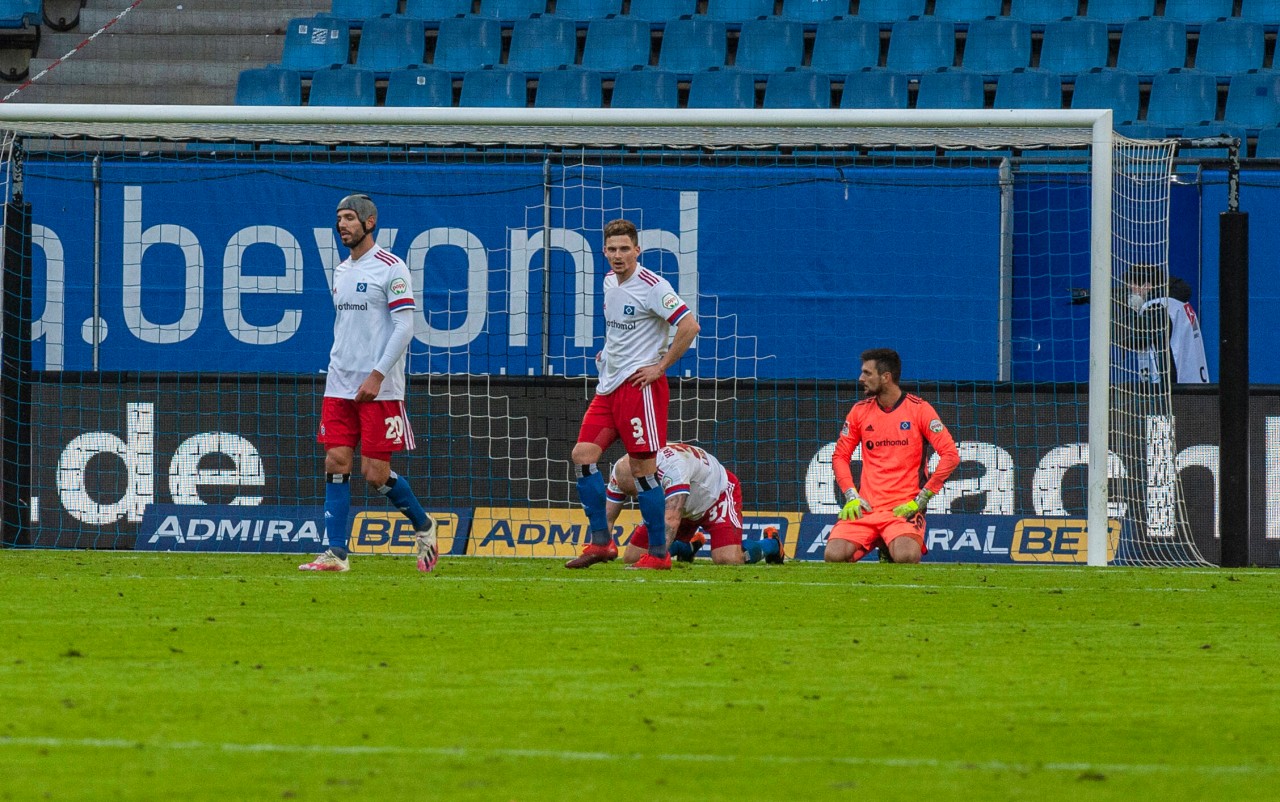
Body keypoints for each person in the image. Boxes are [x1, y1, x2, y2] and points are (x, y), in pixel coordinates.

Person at [299, 194, 438, 574]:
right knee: (335, 461)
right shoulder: (341, 271)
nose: (342, 225)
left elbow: (406, 326)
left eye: (349, 218)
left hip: (380, 388)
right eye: (339, 218)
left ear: (369, 222)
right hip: (339, 383)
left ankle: (425, 528)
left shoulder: (391, 267)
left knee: (375, 474)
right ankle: (336, 553)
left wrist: (377, 373)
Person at [565, 218, 701, 571]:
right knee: (583, 456)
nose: (618, 255)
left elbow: (689, 326)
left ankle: (659, 554)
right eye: (611, 249)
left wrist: (661, 367)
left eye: (625, 248)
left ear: (637, 250)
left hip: (640, 389)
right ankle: (601, 542)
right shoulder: (609, 281)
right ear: (604, 252)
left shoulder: (653, 286)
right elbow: (621, 333)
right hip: (608, 387)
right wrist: (607, 354)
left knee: (643, 471)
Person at [827, 348, 960, 565]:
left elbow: (950, 456)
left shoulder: (920, 410)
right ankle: (883, 542)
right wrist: (851, 495)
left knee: (906, 557)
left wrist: (920, 500)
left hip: (902, 509)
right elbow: (840, 455)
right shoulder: (859, 411)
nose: (861, 378)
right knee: (833, 556)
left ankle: (889, 546)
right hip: (866, 508)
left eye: (867, 373)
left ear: (886, 377)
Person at [603, 444, 784, 566]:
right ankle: (688, 546)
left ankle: (772, 544)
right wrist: (601, 545)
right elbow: (608, 515)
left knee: (728, 559)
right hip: (680, 502)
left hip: (715, 496)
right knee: (632, 558)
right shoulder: (623, 468)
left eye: (640, 492)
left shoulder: (673, 469)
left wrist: (656, 559)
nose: (638, 498)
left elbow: (672, 518)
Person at [1124, 264, 1210, 384]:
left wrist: (1132, 311)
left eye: (1131, 285)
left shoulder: (1156, 306)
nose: (1129, 290)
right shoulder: (1179, 303)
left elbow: (1135, 340)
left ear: (1147, 286)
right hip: (1194, 381)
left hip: (1175, 387)